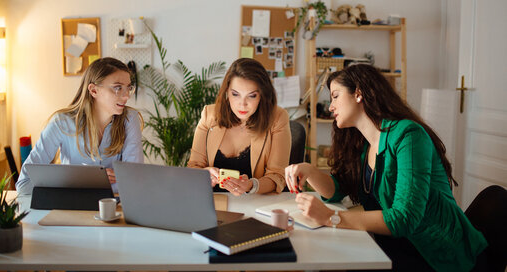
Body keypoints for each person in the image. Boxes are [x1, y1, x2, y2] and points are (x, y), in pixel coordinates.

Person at [285, 64, 487, 272]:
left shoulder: (408, 135)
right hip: (394, 244)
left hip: (435, 255)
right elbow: (338, 189)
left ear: (358, 94)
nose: (330, 107)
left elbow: (404, 218)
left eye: (335, 96)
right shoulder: (364, 145)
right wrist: (308, 170)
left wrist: (330, 217)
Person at [16, 57, 144, 194]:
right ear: (94, 90)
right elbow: (24, 185)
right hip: (71, 210)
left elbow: (133, 180)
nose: (126, 96)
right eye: (118, 88)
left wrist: (77, 184)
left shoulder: (130, 119)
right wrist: (93, 180)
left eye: (128, 88)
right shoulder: (61, 123)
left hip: (114, 209)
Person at [187, 58, 290, 195]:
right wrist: (204, 174)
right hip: (212, 202)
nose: (242, 104)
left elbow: (278, 176)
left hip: (254, 205)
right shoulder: (209, 115)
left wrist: (251, 185)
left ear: (262, 96)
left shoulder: (277, 118)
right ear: (227, 92)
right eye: (235, 94)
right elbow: (193, 167)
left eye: (252, 96)